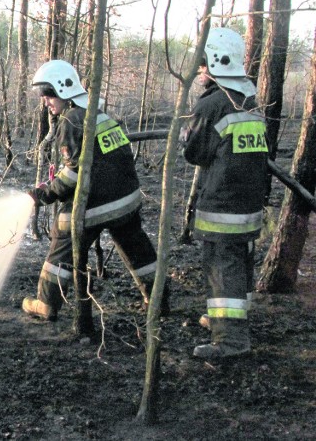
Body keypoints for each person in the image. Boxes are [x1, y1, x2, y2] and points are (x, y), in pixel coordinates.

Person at [22, 59, 167, 322]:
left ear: (63, 90)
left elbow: (74, 174)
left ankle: (46, 303)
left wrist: (46, 194)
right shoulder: (97, 114)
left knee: (62, 235)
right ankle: (158, 299)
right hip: (126, 200)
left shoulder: (71, 121)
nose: (45, 102)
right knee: (136, 246)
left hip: (97, 201)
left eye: (48, 94)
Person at [180, 27, 268, 359]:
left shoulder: (214, 104)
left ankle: (231, 341)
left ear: (217, 62)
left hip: (222, 206)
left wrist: (187, 137)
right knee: (238, 262)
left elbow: (195, 154)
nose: (200, 70)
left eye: (203, 63)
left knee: (221, 265)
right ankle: (227, 321)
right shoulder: (248, 100)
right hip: (248, 205)